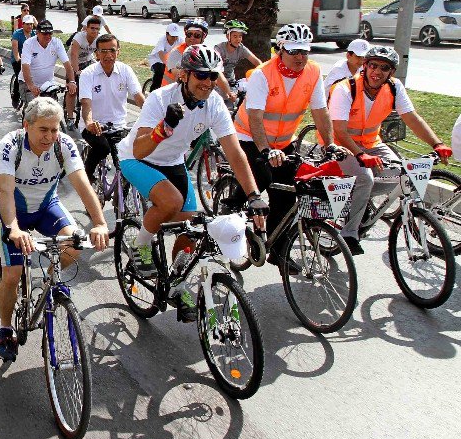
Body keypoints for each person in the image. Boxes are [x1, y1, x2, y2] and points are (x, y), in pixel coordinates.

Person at [119, 45, 267, 318]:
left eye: (213, 76)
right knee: (171, 202)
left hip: (173, 161)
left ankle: (178, 282)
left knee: (193, 224)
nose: (208, 83)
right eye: (201, 76)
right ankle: (140, 247)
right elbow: (139, 149)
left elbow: (235, 152)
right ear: (184, 75)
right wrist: (162, 129)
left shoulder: (214, 103)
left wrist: (254, 195)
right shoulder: (160, 99)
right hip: (137, 159)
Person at [0, 96, 110, 360]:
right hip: (15, 213)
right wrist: (13, 228)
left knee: (75, 245)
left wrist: (100, 223)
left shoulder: (63, 145)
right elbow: (5, 191)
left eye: (54, 129)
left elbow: (83, 185)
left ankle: (48, 284)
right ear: (27, 125)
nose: (49, 136)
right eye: (43, 129)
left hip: (46, 207)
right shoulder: (11, 145)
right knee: (13, 273)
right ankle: (4, 329)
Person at [232, 23, 343, 266]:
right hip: (249, 137)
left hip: (283, 141)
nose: (300, 57)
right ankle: (230, 210)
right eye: (294, 51)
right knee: (260, 178)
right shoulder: (263, 74)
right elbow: (255, 117)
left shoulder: (313, 72)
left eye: (304, 51)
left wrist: (330, 145)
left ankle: (278, 251)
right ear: (280, 50)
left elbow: (321, 112)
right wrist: (265, 149)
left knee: (286, 195)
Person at [329, 45, 451, 254]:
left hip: (371, 143)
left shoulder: (394, 87)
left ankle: (357, 197)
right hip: (340, 144)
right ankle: (349, 233)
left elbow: (412, 118)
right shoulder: (345, 88)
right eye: (373, 66)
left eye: (384, 68)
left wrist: (436, 143)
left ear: (391, 72)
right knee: (365, 179)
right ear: (364, 66)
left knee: (400, 176)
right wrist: (360, 154)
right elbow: (339, 130)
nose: (377, 72)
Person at [79, 34, 146, 183]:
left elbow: (138, 96)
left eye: (112, 50)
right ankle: (86, 177)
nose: (108, 55)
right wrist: (89, 122)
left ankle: (121, 202)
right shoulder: (88, 73)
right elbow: (86, 103)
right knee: (103, 148)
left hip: (118, 126)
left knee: (125, 165)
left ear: (118, 52)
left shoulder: (125, 70)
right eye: (103, 51)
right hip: (93, 127)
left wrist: (152, 116)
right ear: (96, 53)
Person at [18, 19, 76, 116]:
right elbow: (25, 66)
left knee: (53, 109)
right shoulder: (29, 43)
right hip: (28, 82)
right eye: (45, 34)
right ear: (37, 33)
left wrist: (72, 81)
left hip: (48, 82)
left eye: (50, 33)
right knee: (33, 111)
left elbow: (67, 64)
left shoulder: (56, 43)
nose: (48, 36)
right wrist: (31, 85)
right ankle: (27, 128)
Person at [164, 18, 208, 84]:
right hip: (170, 90)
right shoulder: (176, 52)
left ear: (203, 37)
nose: (192, 38)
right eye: (189, 34)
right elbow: (175, 71)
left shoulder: (205, 52)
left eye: (197, 35)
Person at [147, 23, 182, 89]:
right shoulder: (162, 40)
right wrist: (168, 65)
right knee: (160, 71)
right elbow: (161, 53)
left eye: (176, 36)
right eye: (172, 36)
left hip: (170, 60)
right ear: (167, 34)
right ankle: (153, 91)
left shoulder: (180, 40)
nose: (174, 38)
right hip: (157, 60)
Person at [10, 13, 36, 79]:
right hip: (19, 59)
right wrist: (18, 60)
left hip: (30, 59)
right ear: (23, 24)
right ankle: (16, 87)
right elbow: (15, 49)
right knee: (20, 77)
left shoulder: (34, 34)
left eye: (31, 24)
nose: (29, 26)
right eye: (27, 24)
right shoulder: (17, 34)